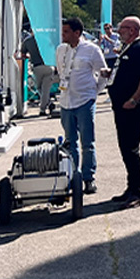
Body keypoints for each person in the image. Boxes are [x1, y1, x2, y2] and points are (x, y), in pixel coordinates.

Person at [104, 16, 140, 209]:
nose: (118, 32)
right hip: (121, 105)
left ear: (133, 30)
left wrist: (134, 99)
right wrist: (112, 74)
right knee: (125, 148)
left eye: (122, 28)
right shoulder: (128, 47)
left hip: (132, 107)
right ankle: (131, 187)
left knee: (131, 148)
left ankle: (138, 192)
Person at [55, 18, 107, 195]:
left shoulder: (91, 50)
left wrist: (95, 91)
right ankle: (72, 177)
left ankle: (88, 178)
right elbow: (61, 72)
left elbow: (103, 73)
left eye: (66, 32)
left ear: (77, 33)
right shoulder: (61, 49)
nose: (63, 35)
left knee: (87, 142)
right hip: (66, 101)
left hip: (84, 101)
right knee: (70, 142)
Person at [15, 27, 56, 117]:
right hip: (49, 66)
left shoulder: (27, 41)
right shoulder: (45, 39)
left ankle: (45, 106)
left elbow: (23, 54)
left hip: (37, 67)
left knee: (38, 87)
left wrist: (29, 57)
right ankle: (45, 106)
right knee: (46, 89)